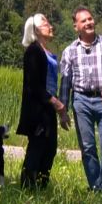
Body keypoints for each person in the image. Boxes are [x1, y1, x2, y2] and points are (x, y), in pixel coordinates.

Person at [58, 7, 102, 199]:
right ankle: (97, 190)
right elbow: (65, 83)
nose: (89, 23)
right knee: (88, 148)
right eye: (84, 21)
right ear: (76, 27)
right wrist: (62, 111)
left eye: (90, 19)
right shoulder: (70, 51)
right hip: (81, 101)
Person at [17, 13, 67, 189]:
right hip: (38, 110)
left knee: (50, 148)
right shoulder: (33, 51)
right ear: (36, 30)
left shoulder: (47, 53)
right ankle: (27, 188)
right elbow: (34, 86)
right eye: (45, 23)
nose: (50, 26)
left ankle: (41, 187)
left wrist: (57, 108)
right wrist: (57, 104)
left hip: (48, 108)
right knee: (37, 148)